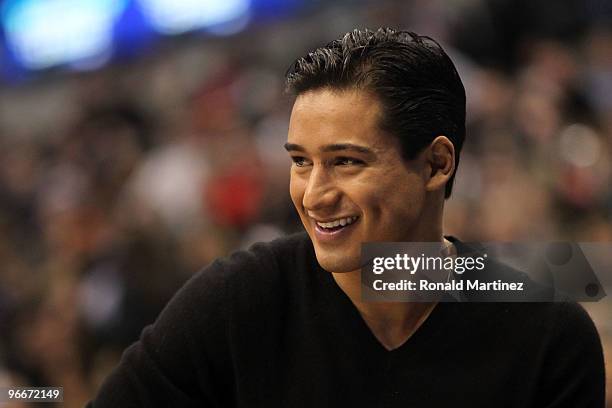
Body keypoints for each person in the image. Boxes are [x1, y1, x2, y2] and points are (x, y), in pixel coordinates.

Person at [89, 28, 605, 407]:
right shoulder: (238, 299)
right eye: (300, 162)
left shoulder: (546, 335)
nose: (314, 195)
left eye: (345, 162)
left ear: (436, 164)